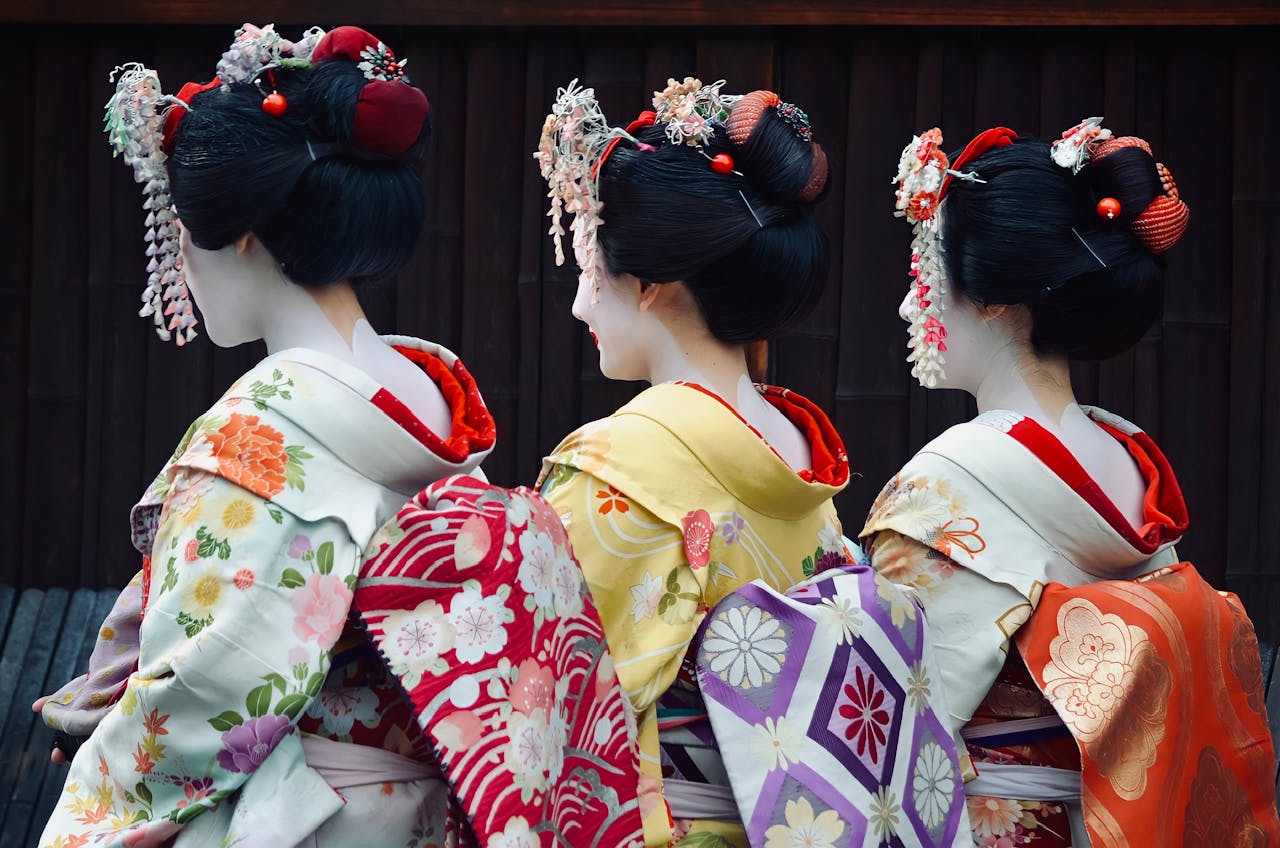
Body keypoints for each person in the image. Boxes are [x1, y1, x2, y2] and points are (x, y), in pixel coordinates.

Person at [37, 24, 499, 847]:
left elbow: (208, 692)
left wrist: (91, 804)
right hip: (433, 800)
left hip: (308, 813)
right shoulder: (427, 387)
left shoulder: (261, 432)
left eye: (181, 226)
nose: (177, 253)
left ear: (243, 234)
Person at [862, 118, 1280, 844]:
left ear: (995, 300)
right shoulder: (1126, 455)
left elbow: (886, 720)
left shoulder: (944, 484)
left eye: (926, 277)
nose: (910, 306)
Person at [533, 77, 872, 846]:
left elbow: (544, 692)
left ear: (653, 284)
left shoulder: (621, 457)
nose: (584, 305)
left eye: (592, 265)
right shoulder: (796, 452)